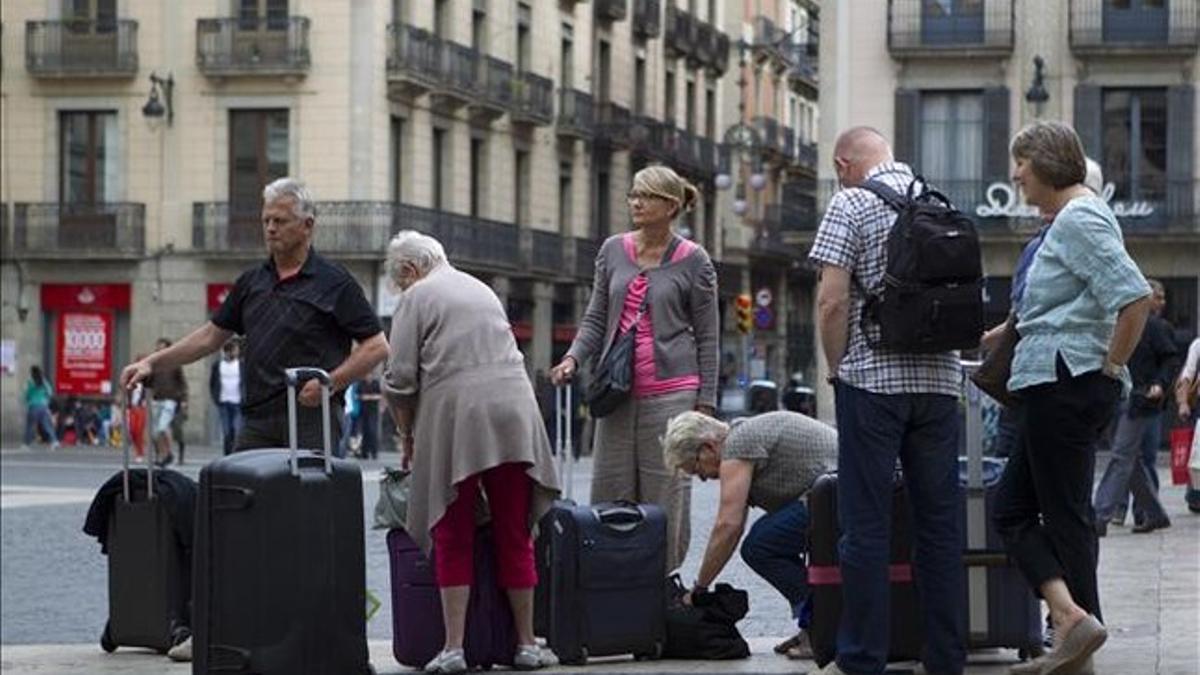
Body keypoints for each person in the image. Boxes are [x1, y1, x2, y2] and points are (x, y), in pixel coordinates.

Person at [986, 121, 1152, 675]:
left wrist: (1109, 368)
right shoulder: (1072, 220)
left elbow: (1132, 297)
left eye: (1021, 164)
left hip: (1066, 382)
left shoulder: (1079, 218)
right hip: (1057, 379)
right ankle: (1073, 623)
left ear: (1046, 163)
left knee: (1062, 516)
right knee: (1022, 509)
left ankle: (1079, 641)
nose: (1015, 175)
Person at [808, 126, 966, 675]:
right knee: (940, 526)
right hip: (941, 385)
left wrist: (835, 365)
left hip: (872, 382)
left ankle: (862, 656)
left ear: (844, 163)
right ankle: (946, 656)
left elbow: (832, 300)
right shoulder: (937, 199)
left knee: (866, 526)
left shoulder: (849, 202)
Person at [381, 230, 561, 674]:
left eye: (400, 281)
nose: (403, 288)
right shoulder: (479, 287)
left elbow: (401, 380)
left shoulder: (417, 297)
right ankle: (525, 644)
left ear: (409, 270)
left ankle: (455, 647)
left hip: (458, 421)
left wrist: (406, 434)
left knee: (453, 530)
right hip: (516, 417)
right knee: (514, 530)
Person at [120, 177, 388, 456]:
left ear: (307, 226)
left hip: (312, 417)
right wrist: (151, 363)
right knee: (242, 494)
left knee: (307, 498)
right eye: (266, 220)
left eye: (280, 221)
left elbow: (377, 346)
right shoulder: (252, 282)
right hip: (256, 418)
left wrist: (329, 383)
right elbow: (210, 337)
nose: (271, 228)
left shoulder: (335, 282)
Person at [549, 165, 720, 573]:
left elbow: (709, 336)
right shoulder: (612, 250)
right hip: (617, 391)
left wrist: (706, 405)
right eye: (633, 195)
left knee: (666, 496)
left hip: (674, 394)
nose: (635, 203)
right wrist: (573, 357)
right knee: (610, 490)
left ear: (670, 206)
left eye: (645, 196)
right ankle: (610, 585)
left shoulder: (694, 261)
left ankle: (660, 587)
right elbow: (595, 317)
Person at [661, 410, 837, 660]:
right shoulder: (740, 439)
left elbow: (728, 526)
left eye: (697, 468)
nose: (703, 478)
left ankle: (821, 627)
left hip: (837, 494)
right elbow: (732, 527)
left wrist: (699, 588)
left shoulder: (736, 446)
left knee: (761, 546)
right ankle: (816, 626)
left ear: (709, 447)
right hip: (831, 494)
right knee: (765, 540)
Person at [1092, 280, 1176, 534]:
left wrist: (1160, 384)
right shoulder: (1110, 324)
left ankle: (1099, 515)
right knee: (1131, 461)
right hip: (1115, 398)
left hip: (1138, 400)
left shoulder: (1153, 327)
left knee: (1121, 456)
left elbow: (1170, 359)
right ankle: (1155, 513)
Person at [146, 337, 187, 467]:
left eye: (162, 347)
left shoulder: (175, 364)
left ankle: (169, 454)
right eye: (158, 347)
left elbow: (182, 384)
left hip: (170, 400)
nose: (159, 349)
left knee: (162, 428)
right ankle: (161, 456)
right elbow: (148, 383)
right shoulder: (154, 364)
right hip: (156, 399)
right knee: (154, 433)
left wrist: (184, 400)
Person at [1175, 337, 1200, 512]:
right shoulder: (1198, 345)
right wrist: (1183, 403)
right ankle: (1195, 496)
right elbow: (1187, 375)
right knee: (1197, 455)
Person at [209, 340, 243, 456]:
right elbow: (212, 383)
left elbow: (245, 382)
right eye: (235, 350)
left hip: (238, 402)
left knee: (236, 430)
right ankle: (227, 455)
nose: (237, 352)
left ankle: (235, 454)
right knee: (226, 431)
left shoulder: (241, 365)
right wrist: (215, 398)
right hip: (223, 402)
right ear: (228, 351)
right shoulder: (218, 366)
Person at [22, 365, 59, 450]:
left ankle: (26, 444)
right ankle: (54, 441)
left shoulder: (30, 382)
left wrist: (27, 401)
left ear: (31, 372)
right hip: (43, 406)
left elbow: (27, 394)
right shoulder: (44, 381)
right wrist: (46, 401)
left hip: (33, 406)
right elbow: (50, 392)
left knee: (30, 426)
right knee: (47, 425)